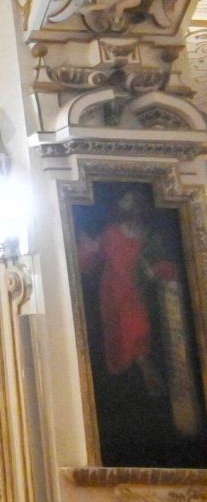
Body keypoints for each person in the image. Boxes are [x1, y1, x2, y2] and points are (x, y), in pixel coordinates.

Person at [78, 187, 203, 445]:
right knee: (124, 342)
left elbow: (164, 265)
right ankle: (142, 380)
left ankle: (150, 376)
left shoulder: (149, 235)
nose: (131, 206)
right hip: (114, 295)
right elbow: (89, 260)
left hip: (142, 295)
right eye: (126, 200)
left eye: (136, 201)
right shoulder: (111, 233)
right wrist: (87, 248)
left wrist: (155, 271)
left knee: (143, 333)